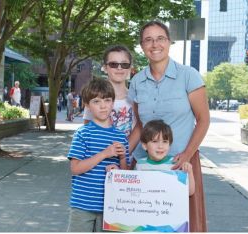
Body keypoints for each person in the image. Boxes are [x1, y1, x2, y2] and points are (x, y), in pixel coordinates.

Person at [128, 20, 209, 232]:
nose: (155, 44)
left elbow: (203, 120)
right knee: (145, 226)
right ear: (142, 45)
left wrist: (187, 155)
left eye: (160, 38)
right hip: (145, 166)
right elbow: (139, 125)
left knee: (183, 225)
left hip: (180, 165)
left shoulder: (188, 75)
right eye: (148, 39)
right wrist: (122, 155)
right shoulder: (137, 81)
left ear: (169, 42)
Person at [66, 78, 129, 232]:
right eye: (96, 101)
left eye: (107, 100)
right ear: (87, 105)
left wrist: (121, 160)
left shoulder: (121, 137)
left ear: (113, 103)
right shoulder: (82, 133)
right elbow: (75, 168)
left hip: (112, 206)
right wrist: (105, 154)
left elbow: (126, 176)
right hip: (82, 205)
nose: (103, 106)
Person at [83, 45, 135, 142]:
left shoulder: (136, 98)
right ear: (105, 68)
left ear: (130, 68)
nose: (119, 68)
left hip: (131, 155)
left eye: (124, 64)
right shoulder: (94, 97)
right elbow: (88, 133)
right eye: (113, 64)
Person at [135, 120, 195, 195]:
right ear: (144, 145)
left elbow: (190, 192)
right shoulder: (140, 164)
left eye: (165, 141)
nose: (160, 146)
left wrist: (189, 172)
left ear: (169, 145)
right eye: (155, 141)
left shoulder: (175, 164)